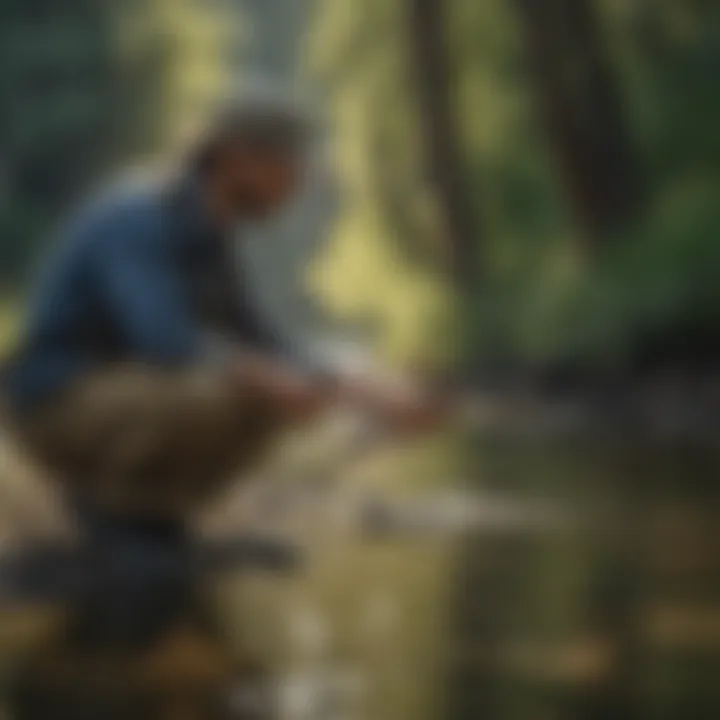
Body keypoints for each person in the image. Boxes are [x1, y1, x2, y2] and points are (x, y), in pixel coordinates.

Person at [1, 89, 440, 529]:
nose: (299, 184)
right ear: (239, 156)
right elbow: (166, 343)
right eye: (291, 166)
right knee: (222, 393)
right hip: (52, 406)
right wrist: (267, 377)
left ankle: (157, 512)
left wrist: (368, 390)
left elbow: (269, 341)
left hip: (120, 397)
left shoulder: (211, 238)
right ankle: (113, 508)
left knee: (266, 395)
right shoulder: (137, 217)